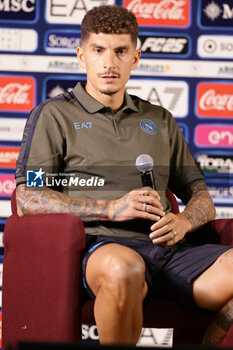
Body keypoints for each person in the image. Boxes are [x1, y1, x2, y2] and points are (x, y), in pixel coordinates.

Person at [15, 5, 233, 346]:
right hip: (104, 249)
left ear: (135, 57)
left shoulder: (159, 119)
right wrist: (110, 208)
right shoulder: (55, 116)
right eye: (98, 50)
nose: (109, 62)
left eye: (120, 51)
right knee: (124, 268)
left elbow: (199, 193)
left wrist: (185, 222)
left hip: (171, 252)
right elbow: (29, 198)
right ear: (81, 55)